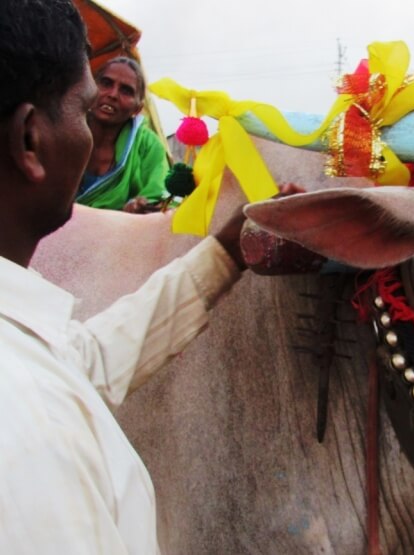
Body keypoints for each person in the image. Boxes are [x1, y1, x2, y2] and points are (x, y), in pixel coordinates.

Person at [0, 1, 247, 552]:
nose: (103, 112)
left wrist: (226, 253)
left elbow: (82, 360)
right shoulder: (28, 429)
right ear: (29, 141)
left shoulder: (29, 354)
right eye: (83, 107)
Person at [77, 56, 170, 213]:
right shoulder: (66, 128)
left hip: (118, 234)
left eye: (126, 91)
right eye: (106, 83)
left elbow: (160, 197)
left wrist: (136, 208)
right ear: (90, 88)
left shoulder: (148, 145)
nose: (113, 94)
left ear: (137, 109)